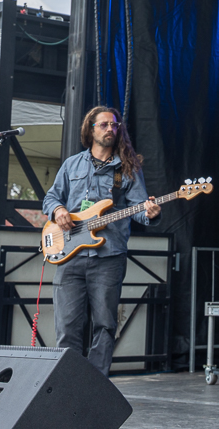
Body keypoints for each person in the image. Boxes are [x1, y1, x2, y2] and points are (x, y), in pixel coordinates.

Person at [41, 106, 160, 376]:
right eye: (104, 124)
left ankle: (94, 385)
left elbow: (139, 209)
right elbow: (51, 197)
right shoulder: (72, 164)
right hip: (69, 255)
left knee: (105, 325)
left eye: (114, 125)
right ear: (91, 129)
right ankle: (68, 382)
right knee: (67, 326)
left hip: (109, 257)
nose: (110, 129)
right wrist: (58, 210)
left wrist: (150, 213)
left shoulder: (127, 169)